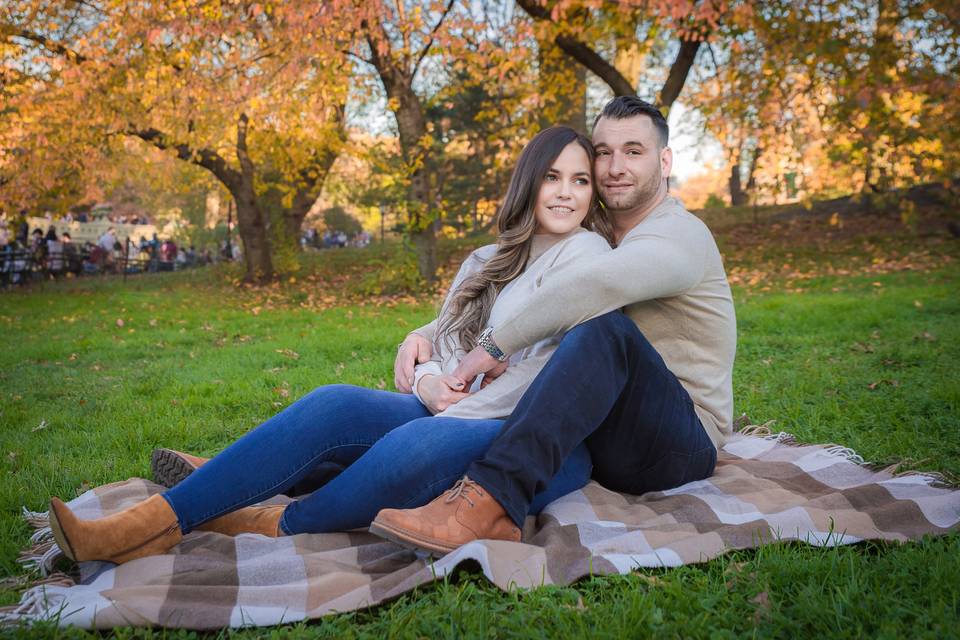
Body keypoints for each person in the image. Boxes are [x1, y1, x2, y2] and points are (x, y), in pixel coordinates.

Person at [46, 125, 615, 564]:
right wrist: (428, 382)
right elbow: (438, 339)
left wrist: (452, 404)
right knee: (334, 403)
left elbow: (554, 373)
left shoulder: (589, 258)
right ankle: (150, 523)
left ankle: (263, 516)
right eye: (552, 177)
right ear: (529, 181)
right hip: (452, 403)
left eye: (580, 180)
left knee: (415, 444)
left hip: (537, 438)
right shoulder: (486, 261)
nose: (565, 193)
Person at [375, 96, 736, 554]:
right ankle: (355, 475)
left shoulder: (680, 235)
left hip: (678, 442)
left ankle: (490, 503)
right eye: (603, 152)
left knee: (604, 329)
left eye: (633, 151)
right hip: (601, 428)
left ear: (664, 161)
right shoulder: (601, 236)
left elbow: (597, 287)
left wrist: (495, 346)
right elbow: (528, 299)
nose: (614, 166)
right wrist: (424, 334)